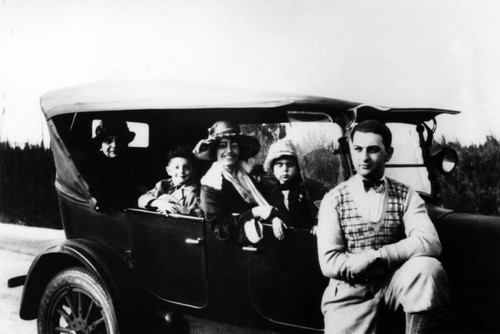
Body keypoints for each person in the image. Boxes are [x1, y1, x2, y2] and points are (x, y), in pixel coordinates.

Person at [317, 120, 449, 334]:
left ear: (389, 154)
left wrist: (375, 256)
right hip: (351, 292)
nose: (364, 158)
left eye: (373, 150)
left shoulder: (406, 194)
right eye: (358, 149)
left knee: (428, 269)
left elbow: (429, 242)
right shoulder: (334, 199)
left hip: (392, 282)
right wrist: (358, 265)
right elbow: (329, 262)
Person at [193, 120, 284, 243]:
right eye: (222, 145)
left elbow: (272, 200)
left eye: (234, 145)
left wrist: (273, 218)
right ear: (215, 151)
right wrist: (254, 212)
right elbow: (220, 230)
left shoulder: (250, 175)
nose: (229, 150)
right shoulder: (211, 186)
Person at [262, 139, 315, 237]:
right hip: (286, 241)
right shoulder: (273, 193)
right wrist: (274, 220)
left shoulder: (309, 188)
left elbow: (322, 209)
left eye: (290, 165)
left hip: (310, 237)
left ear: (298, 168)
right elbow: (269, 213)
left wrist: (317, 224)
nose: (285, 169)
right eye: (280, 165)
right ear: (273, 169)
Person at [86, 118, 143, 209]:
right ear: (100, 146)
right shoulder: (94, 168)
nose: (115, 145)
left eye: (119, 140)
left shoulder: (130, 164)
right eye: (108, 141)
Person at [138, 145, 201, 216]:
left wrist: (174, 208)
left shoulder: (193, 193)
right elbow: (141, 200)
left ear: (193, 170)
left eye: (187, 168)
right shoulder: (163, 184)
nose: (181, 171)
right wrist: (158, 203)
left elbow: (197, 213)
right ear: (169, 171)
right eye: (177, 167)